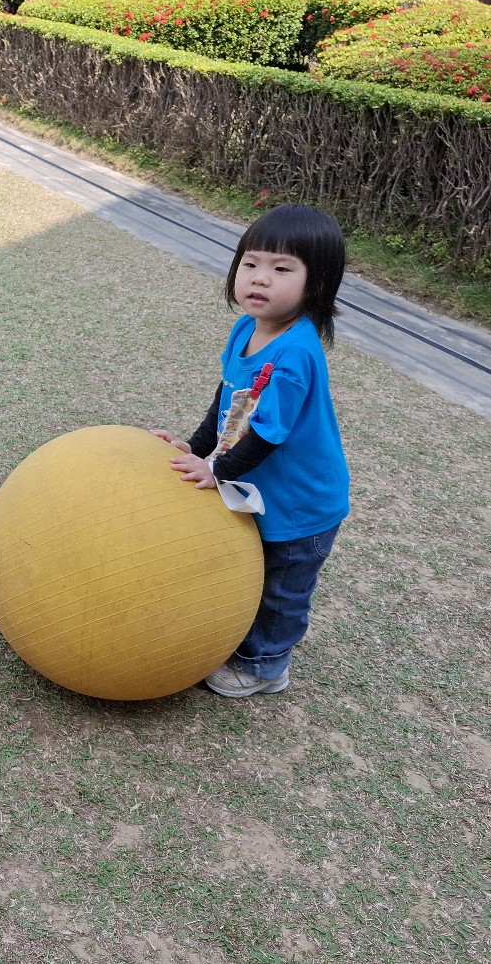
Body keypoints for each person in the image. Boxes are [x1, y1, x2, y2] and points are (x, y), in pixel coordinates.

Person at [151, 204, 349, 698]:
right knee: (248, 571)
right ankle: (241, 642)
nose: (260, 278)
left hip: (301, 504)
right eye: (251, 263)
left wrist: (216, 470)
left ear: (317, 285)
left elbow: (267, 434)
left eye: (282, 269)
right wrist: (197, 446)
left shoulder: (295, 354)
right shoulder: (246, 328)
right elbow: (227, 399)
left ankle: (265, 666)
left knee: (281, 592)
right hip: (261, 490)